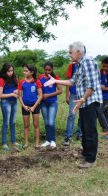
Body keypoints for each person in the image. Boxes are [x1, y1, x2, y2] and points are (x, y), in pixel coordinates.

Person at [44, 41, 103, 169]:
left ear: (78, 52)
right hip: (83, 101)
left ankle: (91, 159)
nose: (69, 55)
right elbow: (72, 81)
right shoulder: (79, 64)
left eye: (71, 52)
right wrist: (55, 80)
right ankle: (86, 153)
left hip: (90, 102)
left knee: (90, 130)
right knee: (85, 129)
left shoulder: (87, 61)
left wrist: (82, 99)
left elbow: (92, 85)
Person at [18, 64, 43, 149]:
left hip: (35, 105)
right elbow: (20, 96)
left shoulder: (37, 82)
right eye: (24, 70)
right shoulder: (22, 82)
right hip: (25, 105)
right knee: (26, 125)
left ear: (32, 72)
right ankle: (26, 143)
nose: (24, 72)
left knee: (36, 124)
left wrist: (34, 107)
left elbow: (40, 95)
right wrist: (24, 106)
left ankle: (37, 143)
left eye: (26, 71)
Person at [0, 62, 22, 151]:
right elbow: (0, 95)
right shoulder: (1, 80)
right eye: (9, 71)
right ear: (5, 71)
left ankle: (14, 141)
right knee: (6, 122)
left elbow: (19, 89)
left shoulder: (15, 78)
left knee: (13, 122)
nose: (10, 73)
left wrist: (16, 91)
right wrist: (12, 94)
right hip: (5, 102)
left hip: (14, 102)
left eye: (12, 71)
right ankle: (4, 143)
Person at [39, 62, 62, 149]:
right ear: (43, 69)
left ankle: (53, 140)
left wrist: (48, 95)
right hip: (43, 103)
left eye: (49, 70)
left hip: (52, 102)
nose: (47, 71)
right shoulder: (40, 77)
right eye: (46, 70)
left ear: (52, 69)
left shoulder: (55, 77)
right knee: (46, 122)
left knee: (51, 122)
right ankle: (48, 140)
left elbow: (60, 90)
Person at [63, 62, 82, 146]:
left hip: (83, 94)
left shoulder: (86, 64)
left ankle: (80, 134)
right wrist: (67, 95)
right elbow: (68, 80)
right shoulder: (72, 65)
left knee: (83, 115)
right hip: (73, 94)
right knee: (72, 114)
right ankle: (68, 136)